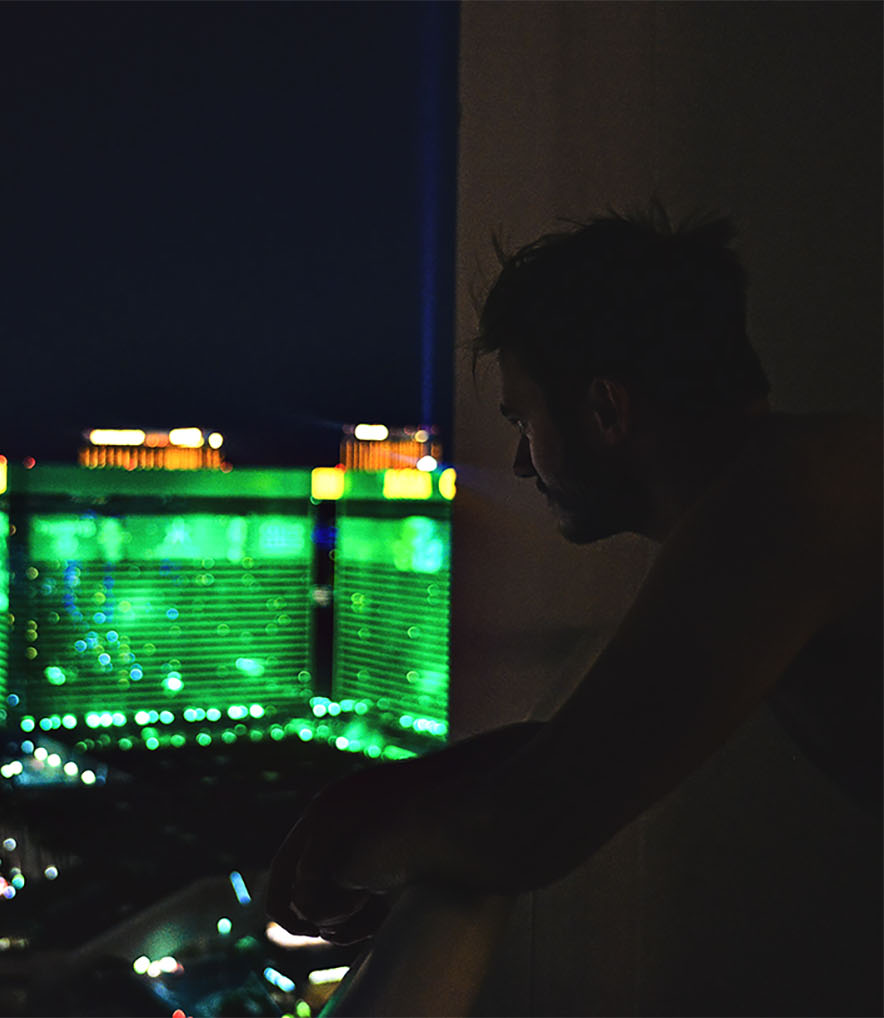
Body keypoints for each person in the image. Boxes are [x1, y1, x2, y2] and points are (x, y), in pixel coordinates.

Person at [266, 207, 882, 954]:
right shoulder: (800, 483)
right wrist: (376, 797)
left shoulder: (783, 506)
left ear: (605, 408)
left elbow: (527, 826)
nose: (522, 464)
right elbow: (619, 734)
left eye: (523, 421)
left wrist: (335, 867)